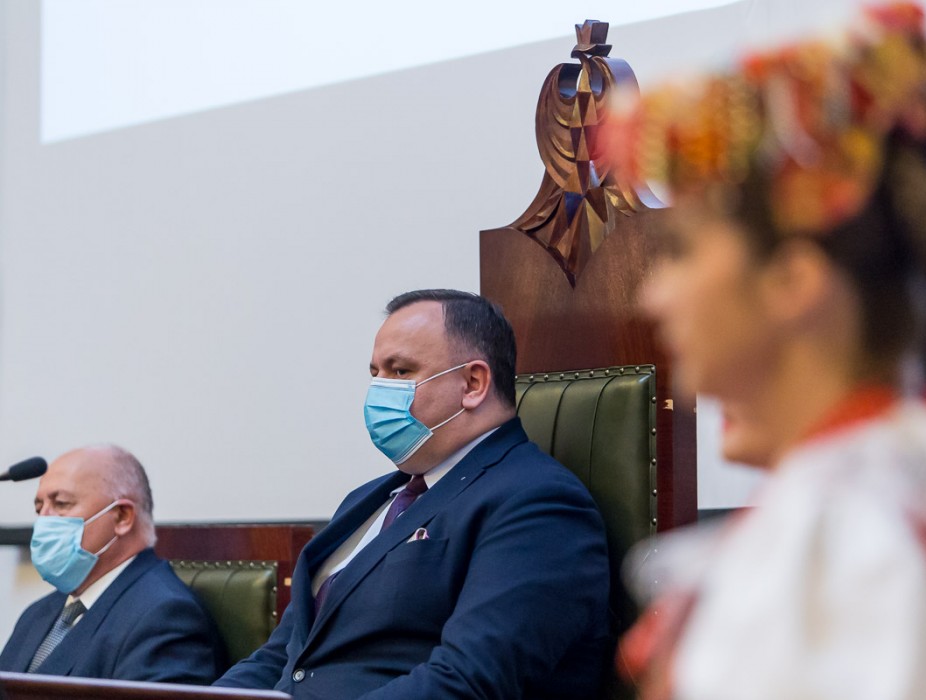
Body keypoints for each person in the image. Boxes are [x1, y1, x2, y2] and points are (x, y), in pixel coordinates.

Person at [603, 3, 926, 698]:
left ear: (793, 282)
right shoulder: (910, 482)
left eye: (682, 252)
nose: (654, 296)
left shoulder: (849, 540)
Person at [215, 289, 610, 699]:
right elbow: (281, 658)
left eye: (400, 371)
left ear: (473, 383)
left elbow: (468, 679)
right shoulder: (365, 501)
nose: (379, 390)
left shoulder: (538, 502)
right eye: (376, 374)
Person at [0, 444, 225, 683]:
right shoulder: (38, 613)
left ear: (122, 517)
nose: (43, 522)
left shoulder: (164, 616)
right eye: (39, 509)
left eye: (61, 504)